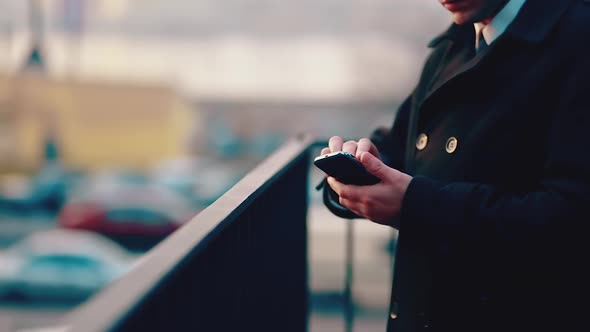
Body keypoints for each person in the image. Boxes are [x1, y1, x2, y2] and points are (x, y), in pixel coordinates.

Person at [318, 0, 590, 331]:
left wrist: (416, 204)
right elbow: (404, 144)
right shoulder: (456, 43)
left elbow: (570, 217)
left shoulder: (577, 41)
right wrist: (361, 166)